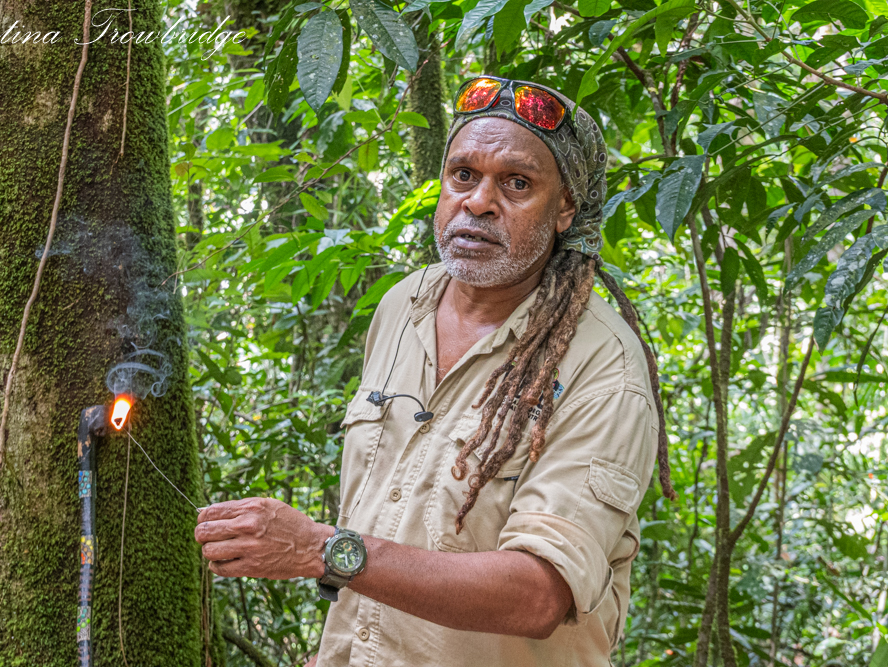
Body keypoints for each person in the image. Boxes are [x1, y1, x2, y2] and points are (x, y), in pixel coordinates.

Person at [195, 76, 676, 667]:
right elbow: (384, 513)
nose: (479, 201)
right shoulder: (405, 304)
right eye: (463, 175)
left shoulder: (603, 368)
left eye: (517, 183)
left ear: (565, 209)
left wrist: (322, 550)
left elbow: (537, 595)